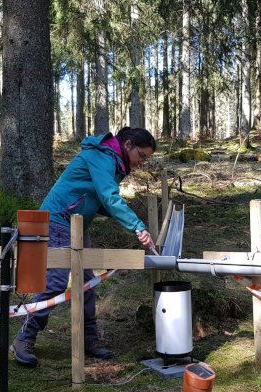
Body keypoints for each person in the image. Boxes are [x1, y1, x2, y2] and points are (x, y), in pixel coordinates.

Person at [11, 127, 157, 367]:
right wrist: (137, 227)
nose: (142, 162)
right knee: (56, 283)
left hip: (78, 225)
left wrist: (122, 217)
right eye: (141, 155)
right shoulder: (102, 157)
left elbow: (99, 201)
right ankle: (24, 338)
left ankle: (89, 339)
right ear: (128, 144)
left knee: (87, 283)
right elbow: (110, 198)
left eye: (146, 159)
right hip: (58, 220)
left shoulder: (114, 162)